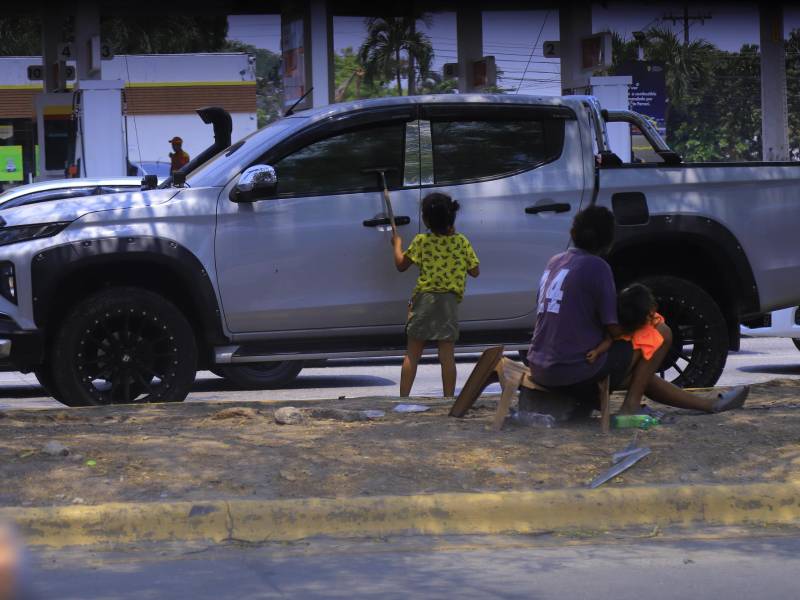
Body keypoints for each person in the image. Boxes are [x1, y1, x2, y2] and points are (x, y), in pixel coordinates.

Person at [526, 205, 748, 417]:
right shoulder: (596, 266)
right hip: (573, 371)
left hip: (541, 366)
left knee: (641, 374)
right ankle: (631, 405)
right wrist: (642, 321)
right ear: (608, 241)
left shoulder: (555, 261)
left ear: (573, 232)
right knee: (661, 334)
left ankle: (710, 405)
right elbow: (613, 330)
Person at [392, 193, 480, 398]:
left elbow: (401, 265)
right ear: (452, 218)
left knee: (413, 353)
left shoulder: (421, 241)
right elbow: (475, 271)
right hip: (448, 303)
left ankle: (403, 399)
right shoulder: (461, 242)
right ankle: (448, 400)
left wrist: (396, 244)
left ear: (426, 219)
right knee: (447, 355)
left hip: (424, 300)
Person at [586, 283, 665, 365]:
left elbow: (608, 340)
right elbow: (608, 340)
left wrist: (597, 352)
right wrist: (597, 352)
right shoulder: (609, 322)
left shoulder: (636, 314)